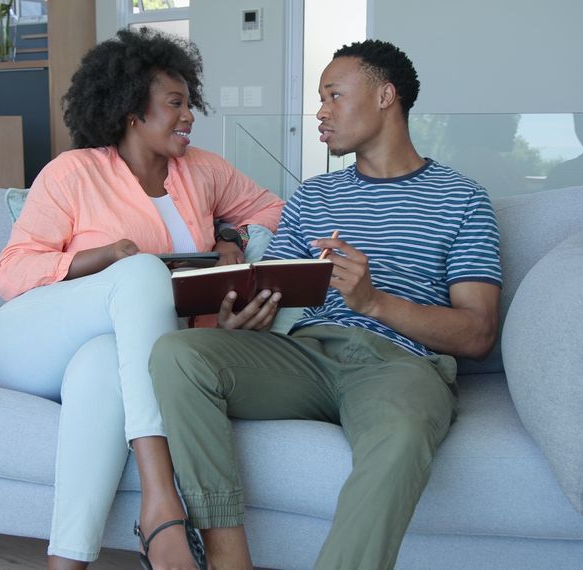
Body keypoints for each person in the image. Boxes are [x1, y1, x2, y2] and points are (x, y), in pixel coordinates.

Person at [149, 39, 503, 570]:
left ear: (386, 97)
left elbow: (477, 335)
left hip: (399, 364)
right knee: (178, 353)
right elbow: (268, 287)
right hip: (307, 354)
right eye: (320, 98)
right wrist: (238, 318)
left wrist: (373, 300)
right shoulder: (312, 198)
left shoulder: (463, 199)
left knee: (402, 435)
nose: (320, 111)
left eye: (334, 95)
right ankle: (227, 556)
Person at [0, 28, 284, 570]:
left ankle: (66, 561)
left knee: (102, 365)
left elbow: (273, 209)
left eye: (189, 102)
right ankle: (161, 505)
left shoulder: (203, 171)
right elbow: (12, 272)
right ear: (131, 111)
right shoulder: (72, 173)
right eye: (175, 103)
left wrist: (230, 239)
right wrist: (104, 258)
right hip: (29, 338)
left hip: (108, 354)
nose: (189, 115)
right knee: (143, 270)